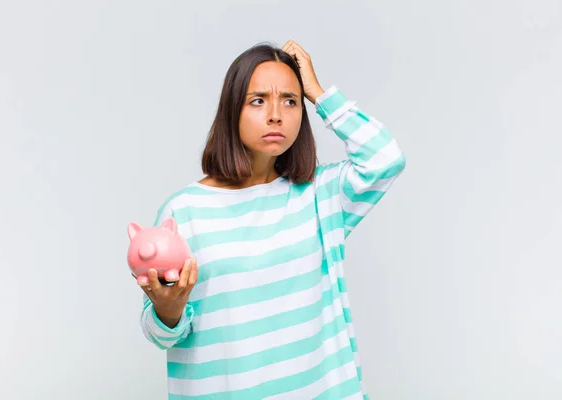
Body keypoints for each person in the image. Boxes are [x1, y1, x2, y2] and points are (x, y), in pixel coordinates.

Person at [134, 40, 406, 399]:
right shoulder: (186, 211)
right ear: (233, 111)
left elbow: (385, 158)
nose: (276, 114)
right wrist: (167, 310)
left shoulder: (320, 194)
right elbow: (160, 335)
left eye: (290, 100)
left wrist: (319, 93)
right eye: (258, 100)